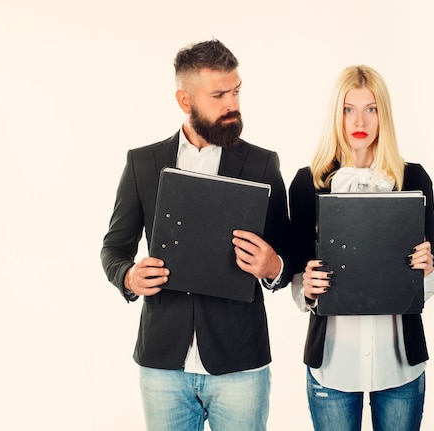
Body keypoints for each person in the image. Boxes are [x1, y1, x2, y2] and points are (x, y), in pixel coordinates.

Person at [101, 39, 293, 431]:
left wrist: (273, 265)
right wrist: (129, 276)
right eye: (218, 94)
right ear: (184, 101)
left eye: (236, 91)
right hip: (162, 365)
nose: (232, 104)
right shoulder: (143, 163)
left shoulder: (261, 163)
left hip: (240, 363)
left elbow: (286, 257)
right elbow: (114, 248)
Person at [288, 65, 434, 431]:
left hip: (399, 364)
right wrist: (305, 288)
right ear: (335, 114)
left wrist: (427, 268)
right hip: (333, 366)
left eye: (370, 108)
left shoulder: (414, 179)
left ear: (382, 114)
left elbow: (432, 282)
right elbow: (297, 281)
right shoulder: (308, 183)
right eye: (348, 109)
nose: (360, 119)